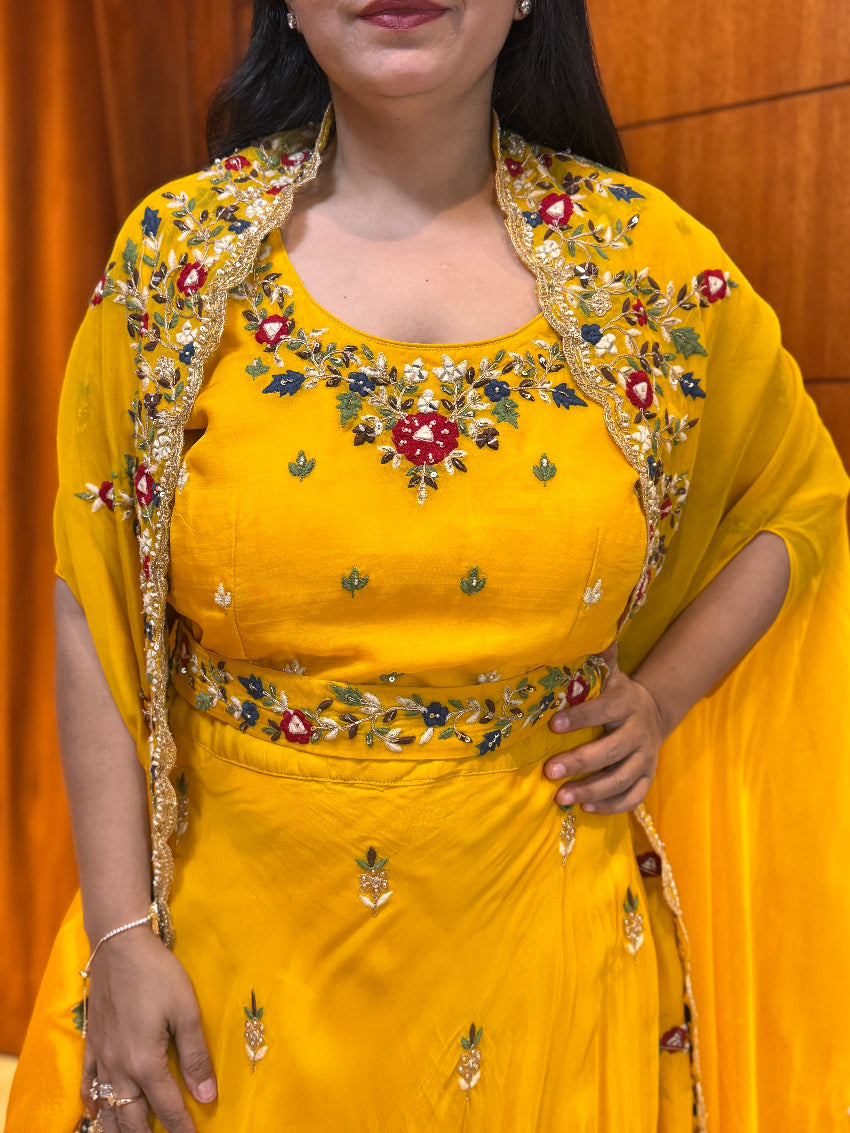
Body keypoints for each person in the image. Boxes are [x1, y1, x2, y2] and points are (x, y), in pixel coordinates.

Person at [7, 0, 850, 1129]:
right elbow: (95, 597)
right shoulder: (182, 258)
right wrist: (118, 936)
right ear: (288, 12)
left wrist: (661, 694)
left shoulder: (641, 265)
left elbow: (795, 497)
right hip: (234, 971)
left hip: (546, 962)